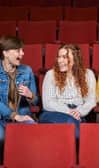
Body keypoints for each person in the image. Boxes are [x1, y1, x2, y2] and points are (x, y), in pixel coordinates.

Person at [39, 44, 97, 138]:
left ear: (76, 59)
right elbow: (48, 103)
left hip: (78, 114)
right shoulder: (51, 74)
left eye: (65, 57)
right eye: (59, 57)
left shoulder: (88, 74)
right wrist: (69, 111)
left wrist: (79, 111)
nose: (59, 60)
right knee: (71, 123)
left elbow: (91, 100)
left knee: (74, 124)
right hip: (52, 113)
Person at [0, 35, 38, 164]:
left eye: (22, 50)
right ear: (5, 53)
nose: (22, 54)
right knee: (2, 138)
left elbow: (35, 101)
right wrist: (14, 116)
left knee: (33, 130)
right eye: (17, 50)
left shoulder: (27, 71)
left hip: (22, 116)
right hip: (2, 118)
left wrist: (30, 95)